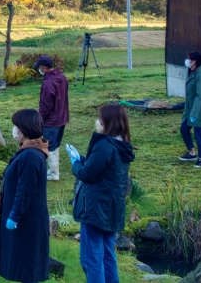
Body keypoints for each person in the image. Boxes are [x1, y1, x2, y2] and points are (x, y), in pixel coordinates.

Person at [66, 104, 135, 283]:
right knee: (107, 255)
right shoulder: (122, 145)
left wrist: (75, 163)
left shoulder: (105, 145)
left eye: (100, 118)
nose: (97, 121)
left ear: (107, 122)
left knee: (91, 259)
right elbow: (101, 168)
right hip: (113, 209)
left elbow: (87, 174)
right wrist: (82, 159)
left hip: (96, 209)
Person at [0, 109, 50, 283]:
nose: (14, 129)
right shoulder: (28, 152)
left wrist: (14, 216)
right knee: (20, 264)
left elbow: (25, 190)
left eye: (16, 126)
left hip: (27, 221)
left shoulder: (31, 156)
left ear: (23, 129)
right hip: (23, 218)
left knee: (26, 267)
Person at [33, 55, 69, 181]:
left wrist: (40, 119)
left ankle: (53, 174)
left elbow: (46, 105)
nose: (39, 70)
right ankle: (53, 171)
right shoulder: (62, 78)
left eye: (39, 67)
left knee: (48, 146)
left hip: (51, 120)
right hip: (62, 117)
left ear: (43, 67)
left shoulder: (48, 83)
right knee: (55, 144)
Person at [178, 51, 201, 168]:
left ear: (195, 61)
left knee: (199, 133)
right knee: (184, 129)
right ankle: (192, 152)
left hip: (200, 109)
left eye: (190, 59)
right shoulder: (192, 70)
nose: (187, 61)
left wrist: (194, 113)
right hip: (190, 107)